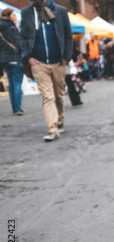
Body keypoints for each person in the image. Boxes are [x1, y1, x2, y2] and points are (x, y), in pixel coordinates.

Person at [19, 0, 73, 142]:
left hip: (58, 62)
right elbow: (23, 38)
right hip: (38, 63)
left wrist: (66, 58)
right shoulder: (26, 12)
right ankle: (52, 128)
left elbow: (68, 35)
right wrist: (28, 57)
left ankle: (60, 119)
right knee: (47, 96)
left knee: (58, 94)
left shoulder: (60, 11)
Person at [0, 8, 24, 115]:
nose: (15, 17)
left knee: (11, 83)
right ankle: (17, 108)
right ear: (9, 15)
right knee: (17, 83)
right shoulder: (11, 28)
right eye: (14, 15)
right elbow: (19, 44)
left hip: (4, 59)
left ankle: (15, 106)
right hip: (14, 57)